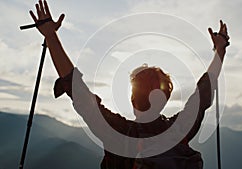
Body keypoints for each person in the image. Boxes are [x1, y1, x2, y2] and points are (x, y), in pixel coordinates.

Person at [29, 1, 230, 169]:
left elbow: (76, 88)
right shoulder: (178, 130)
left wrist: (50, 36)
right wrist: (219, 50)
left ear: (132, 99)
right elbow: (204, 90)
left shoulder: (117, 133)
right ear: (165, 99)